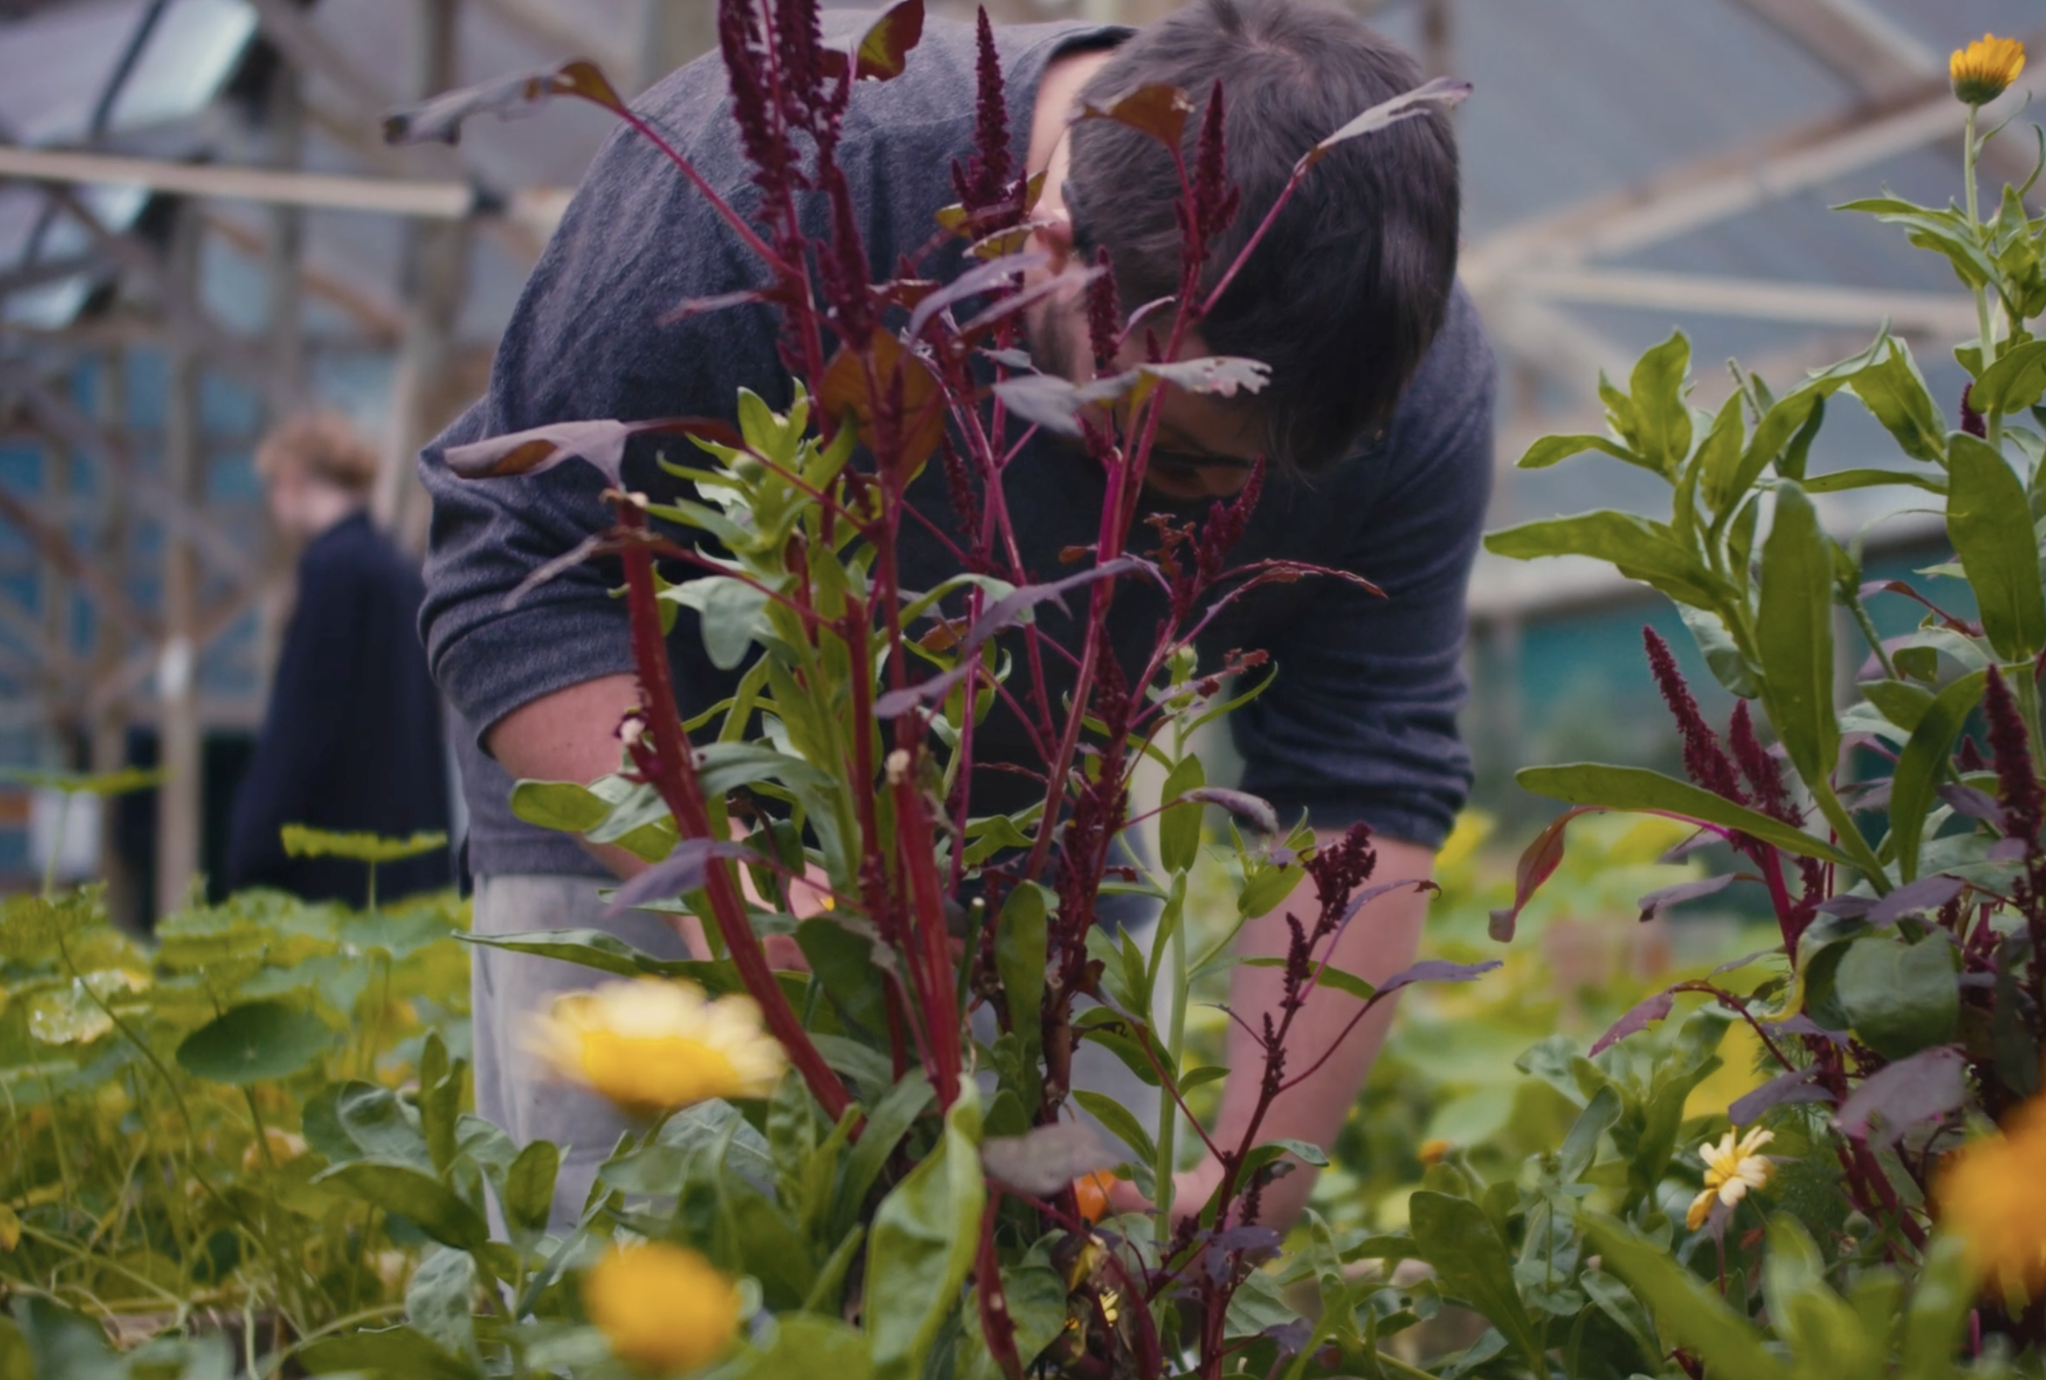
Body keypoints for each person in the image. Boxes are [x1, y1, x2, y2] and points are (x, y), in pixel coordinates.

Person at [421, 0, 1490, 1225]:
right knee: (636, 1314)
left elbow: (1365, 771)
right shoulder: (772, 170)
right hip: (638, 834)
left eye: (1280, 474)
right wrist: (771, 924)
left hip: (1039, 870)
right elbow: (511, 564)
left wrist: (1246, 1194)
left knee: (1063, 1302)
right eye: (1183, 459)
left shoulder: (1400, 367)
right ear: (1045, 248)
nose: (1224, 507)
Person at [226, 413, 453, 904]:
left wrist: (256, 839)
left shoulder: (329, 570)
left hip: (334, 860)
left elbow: (303, 718)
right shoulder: (397, 567)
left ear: (292, 480)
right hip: (404, 853)